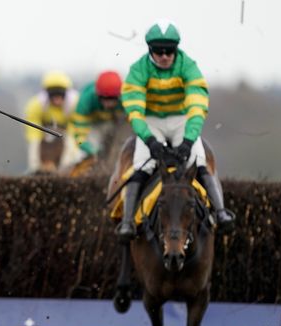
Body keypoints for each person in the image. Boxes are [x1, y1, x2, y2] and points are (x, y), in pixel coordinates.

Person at [117, 20, 234, 242]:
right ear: (150, 51)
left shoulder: (188, 66)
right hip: (151, 121)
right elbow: (134, 110)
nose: (164, 56)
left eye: (169, 51)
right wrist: (150, 140)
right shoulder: (138, 70)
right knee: (143, 164)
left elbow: (197, 107)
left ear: (176, 49)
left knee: (199, 161)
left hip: (182, 121)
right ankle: (128, 222)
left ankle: (220, 212)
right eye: (158, 51)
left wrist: (188, 141)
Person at [24, 71, 79, 173]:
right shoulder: (36, 104)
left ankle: (65, 170)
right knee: (34, 145)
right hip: (44, 132)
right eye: (54, 95)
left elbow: (75, 129)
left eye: (60, 95)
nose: (57, 99)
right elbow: (33, 129)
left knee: (70, 144)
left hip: (65, 133)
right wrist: (35, 143)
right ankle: (35, 170)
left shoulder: (75, 104)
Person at [67, 70, 125, 164]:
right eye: (104, 99)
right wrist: (90, 149)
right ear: (97, 95)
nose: (108, 104)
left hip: (114, 123)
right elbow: (79, 137)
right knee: (92, 151)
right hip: (92, 125)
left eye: (112, 99)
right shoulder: (85, 100)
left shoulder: (126, 98)